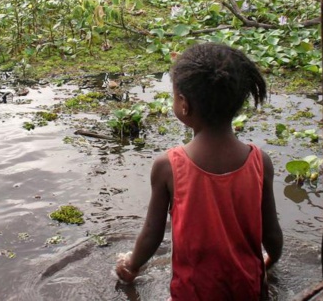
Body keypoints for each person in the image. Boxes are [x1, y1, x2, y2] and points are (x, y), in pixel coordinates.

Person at [115, 42, 284, 300]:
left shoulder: (168, 166)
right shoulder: (260, 161)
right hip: (250, 292)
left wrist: (131, 266)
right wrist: (268, 261)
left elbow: (152, 235)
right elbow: (272, 234)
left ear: (184, 104)